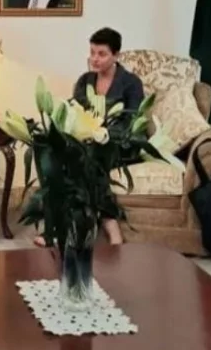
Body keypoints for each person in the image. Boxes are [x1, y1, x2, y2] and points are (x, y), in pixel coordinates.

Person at [32, 28, 145, 249]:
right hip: (88, 141)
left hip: (121, 143)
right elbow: (75, 113)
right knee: (49, 153)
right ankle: (56, 227)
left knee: (90, 157)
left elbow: (131, 121)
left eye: (102, 54)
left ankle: (109, 224)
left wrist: (101, 134)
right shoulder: (85, 81)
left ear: (116, 55)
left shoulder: (131, 82)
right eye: (92, 52)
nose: (95, 59)